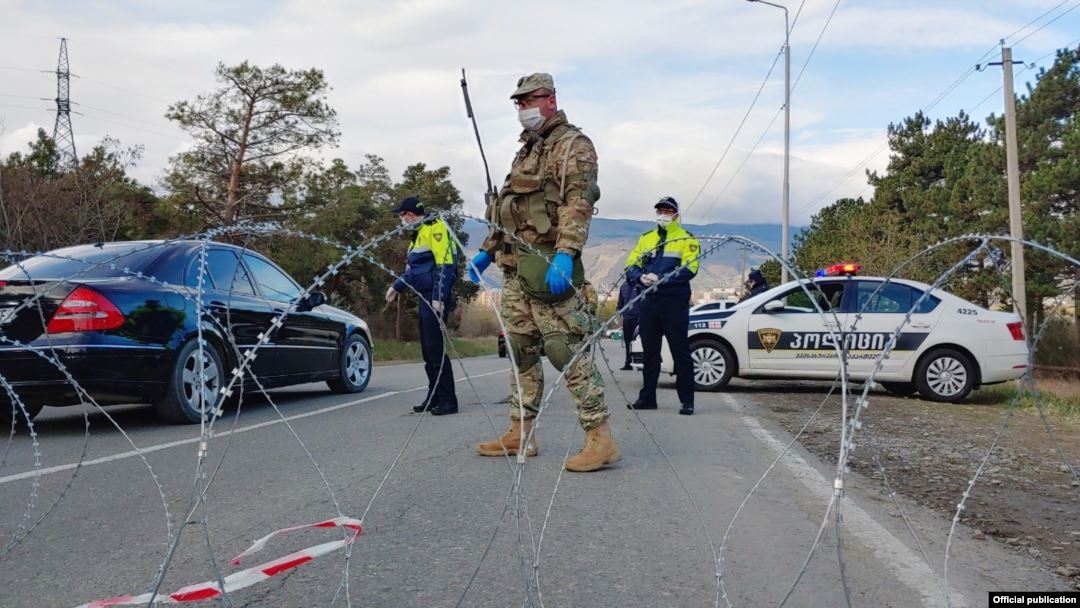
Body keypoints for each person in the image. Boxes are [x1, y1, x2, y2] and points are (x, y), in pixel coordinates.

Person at [468, 72, 619, 472]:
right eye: (518, 103)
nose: (524, 109)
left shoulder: (573, 146)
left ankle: (600, 439)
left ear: (550, 99)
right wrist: (488, 251)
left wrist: (567, 253)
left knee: (564, 350)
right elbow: (511, 210)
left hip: (550, 264)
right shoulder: (528, 150)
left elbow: (577, 202)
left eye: (530, 100)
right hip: (517, 268)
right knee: (521, 352)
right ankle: (521, 433)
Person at [624, 196, 700, 416]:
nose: (663, 215)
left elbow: (691, 268)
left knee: (680, 352)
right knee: (650, 353)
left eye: (667, 212)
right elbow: (631, 264)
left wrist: (662, 278)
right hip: (649, 301)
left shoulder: (686, 238)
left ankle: (687, 401)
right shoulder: (646, 238)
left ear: (676, 215)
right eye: (660, 211)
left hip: (674, 302)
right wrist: (640, 277)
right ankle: (647, 397)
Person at [385, 196, 459, 416]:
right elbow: (414, 272)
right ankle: (434, 395)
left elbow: (446, 264)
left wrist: (439, 296)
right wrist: (398, 286)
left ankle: (448, 400)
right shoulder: (417, 236)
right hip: (423, 297)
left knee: (436, 349)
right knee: (428, 350)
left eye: (401, 215)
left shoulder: (436, 228)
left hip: (435, 298)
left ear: (409, 214)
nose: (401, 220)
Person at [617, 279, 641, 370]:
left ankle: (640, 362)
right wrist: (619, 311)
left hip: (638, 318)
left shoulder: (640, 285)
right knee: (628, 342)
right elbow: (620, 302)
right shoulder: (623, 286)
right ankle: (628, 363)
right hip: (626, 318)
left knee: (639, 341)